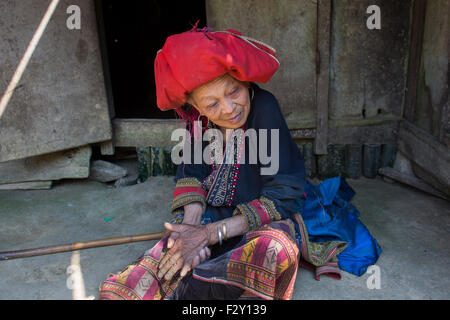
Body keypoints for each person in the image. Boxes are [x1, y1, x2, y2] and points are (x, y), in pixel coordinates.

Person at [98, 25, 377, 300]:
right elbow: (191, 174)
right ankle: (203, 280)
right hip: (215, 215)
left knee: (273, 249)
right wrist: (191, 230)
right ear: (196, 108)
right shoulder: (196, 121)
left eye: (233, 92)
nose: (229, 108)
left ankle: (200, 284)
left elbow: (283, 196)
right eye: (212, 104)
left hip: (267, 218)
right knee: (167, 254)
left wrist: (209, 235)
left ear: (243, 80)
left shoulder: (264, 108)